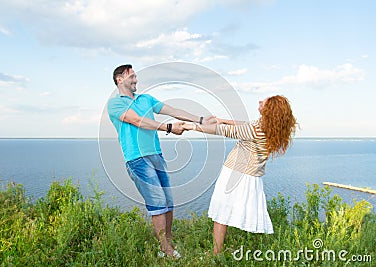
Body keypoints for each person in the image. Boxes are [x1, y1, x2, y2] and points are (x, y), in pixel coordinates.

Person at [107, 64, 215, 258]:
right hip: (137, 159)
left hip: (157, 155)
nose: (136, 80)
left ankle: (168, 244)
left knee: (168, 202)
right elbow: (136, 120)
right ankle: (165, 250)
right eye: (132, 76)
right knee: (157, 203)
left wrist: (200, 119)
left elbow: (172, 110)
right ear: (119, 79)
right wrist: (167, 128)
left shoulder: (146, 99)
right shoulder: (115, 104)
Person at [183, 95, 297, 255]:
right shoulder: (268, 127)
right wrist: (223, 119)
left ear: (269, 110)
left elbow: (225, 131)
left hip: (236, 174)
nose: (259, 102)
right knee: (235, 212)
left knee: (221, 213)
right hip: (251, 176)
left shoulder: (255, 129)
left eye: (263, 103)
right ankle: (246, 249)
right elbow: (244, 125)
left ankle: (215, 253)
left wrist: (190, 126)